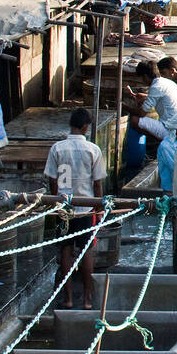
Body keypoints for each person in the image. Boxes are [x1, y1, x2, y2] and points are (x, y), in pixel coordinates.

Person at [44, 108, 106, 310]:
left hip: (64, 208)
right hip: (86, 208)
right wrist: (99, 207)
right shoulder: (92, 149)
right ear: (85, 127)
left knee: (66, 250)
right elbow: (97, 184)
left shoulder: (57, 148)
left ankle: (68, 298)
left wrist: (57, 203)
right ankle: (87, 299)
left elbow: (52, 180)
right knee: (87, 251)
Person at [125, 60, 177, 145]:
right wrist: (145, 97)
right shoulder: (167, 82)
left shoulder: (156, 86)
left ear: (145, 76)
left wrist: (124, 107)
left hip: (172, 130)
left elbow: (142, 113)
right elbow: (162, 98)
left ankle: (163, 142)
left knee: (134, 120)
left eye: (141, 78)